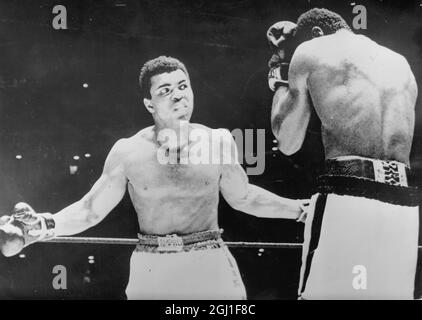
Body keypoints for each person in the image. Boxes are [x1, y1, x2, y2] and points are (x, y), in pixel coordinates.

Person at [0, 56, 308, 299]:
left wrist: (303, 211)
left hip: (209, 261)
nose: (178, 95)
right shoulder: (128, 151)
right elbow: (89, 210)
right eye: (165, 90)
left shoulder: (218, 141)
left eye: (183, 86)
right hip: (153, 265)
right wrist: (43, 226)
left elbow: (244, 196)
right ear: (149, 103)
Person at [266, 8, 419, 299]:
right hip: (403, 202)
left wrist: (279, 68)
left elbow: (287, 141)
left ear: (315, 33)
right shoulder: (400, 62)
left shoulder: (311, 49)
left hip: (348, 195)